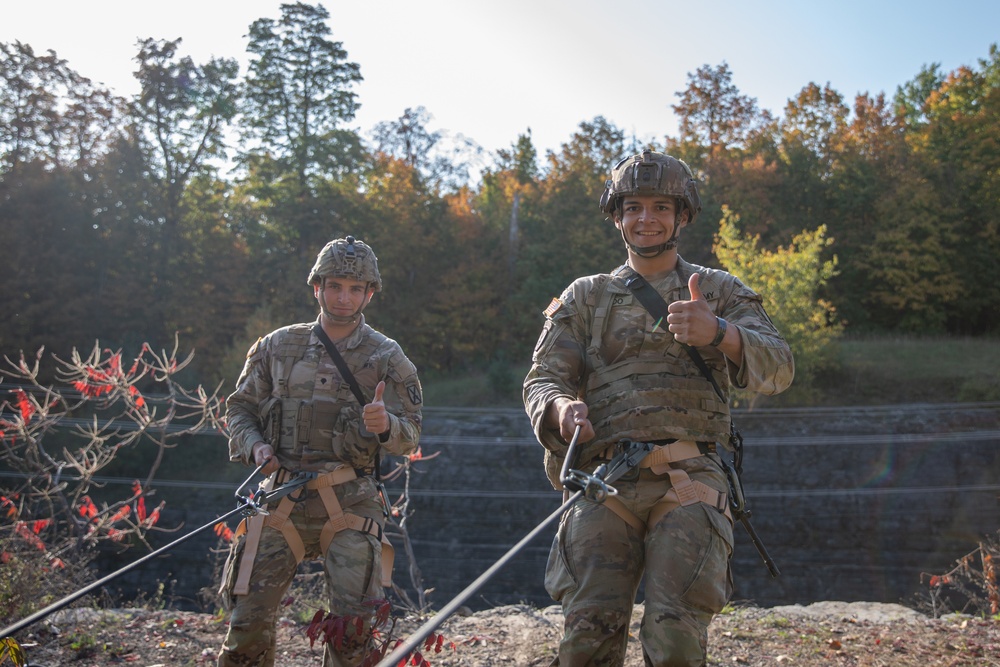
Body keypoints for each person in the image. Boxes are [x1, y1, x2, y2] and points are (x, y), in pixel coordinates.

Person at [523, 151, 794, 666]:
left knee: (675, 635)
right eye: (633, 208)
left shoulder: (719, 290)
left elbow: (780, 367)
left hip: (689, 477)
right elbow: (543, 379)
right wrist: (560, 410)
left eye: (660, 207)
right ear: (617, 216)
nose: (646, 218)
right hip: (605, 478)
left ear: (682, 216)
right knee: (587, 635)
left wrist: (720, 333)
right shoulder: (585, 297)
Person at [218, 236, 423, 667]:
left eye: (355, 288)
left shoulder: (387, 356)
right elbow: (239, 408)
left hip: (351, 501)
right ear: (317, 287)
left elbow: (411, 437)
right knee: (245, 628)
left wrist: (385, 426)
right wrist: (255, 446)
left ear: (369, 293)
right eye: (335, 286)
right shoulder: (276, 347)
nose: (344, 297)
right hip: (281, 498)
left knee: (353, 636)